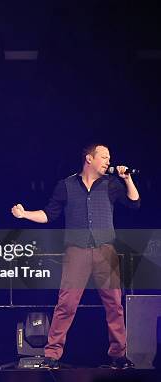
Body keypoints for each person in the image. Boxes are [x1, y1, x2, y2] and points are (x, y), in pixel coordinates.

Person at [11, 144, 140, 369]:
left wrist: (127, 179)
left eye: (109, 158)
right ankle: (52, 354)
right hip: (76, 251)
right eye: (104, 157)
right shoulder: (66, 185)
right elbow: (48, 215)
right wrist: (24, 214)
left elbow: (135, 203)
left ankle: (119, 355)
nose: (108, 161)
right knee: (67, 304)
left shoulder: (112, 185)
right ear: (89, 158)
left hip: (105, 250)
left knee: (114, 305)